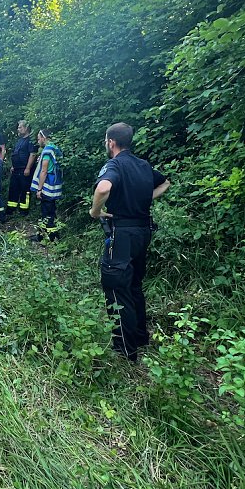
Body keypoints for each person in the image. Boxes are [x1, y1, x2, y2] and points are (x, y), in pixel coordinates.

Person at [89, 122, 170, 362]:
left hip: (122, 235)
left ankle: (125, 349)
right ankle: (140, 337)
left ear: (111, 142)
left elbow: (103, 187)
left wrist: (96, 211)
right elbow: (165, 183)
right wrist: (145, 198)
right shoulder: (143, 165)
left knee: (116, 286)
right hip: (144, 232)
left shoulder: (115, 165)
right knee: (134, 285)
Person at [30, 129, 63, 241]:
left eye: (39, 138)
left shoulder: (47, 151)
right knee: (52, 211)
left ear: (44, 138)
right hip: (55, 186)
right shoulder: (55, 148)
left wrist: (39, 189)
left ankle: (49, 238)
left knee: (46, 213)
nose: (38, 140)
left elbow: (44, 171)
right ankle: (49, 235)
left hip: (47, 187)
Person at [7, 120, 37, 216]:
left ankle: (24, 211)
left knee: (25, 190)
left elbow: (32, 154)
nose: (18, 129)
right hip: (16, 169)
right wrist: (13, 166)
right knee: (13, 189)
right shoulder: (20, 140)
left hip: (25, 170)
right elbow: (16, 153)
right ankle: (11, 210)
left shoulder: (30, 140)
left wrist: (28, 168)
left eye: (20, 127)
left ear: (26, 128)